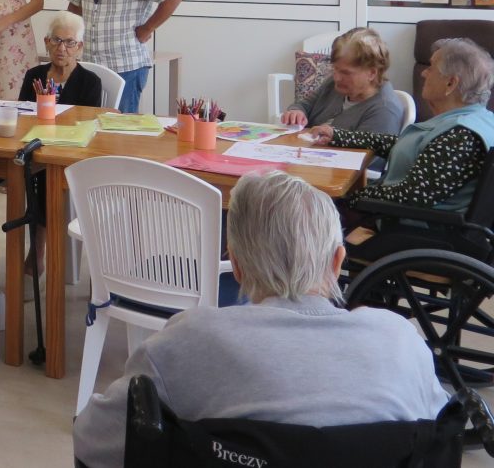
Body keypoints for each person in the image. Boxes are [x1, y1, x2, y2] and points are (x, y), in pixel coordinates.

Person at [73, 170, 449, 468]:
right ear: (337, 262)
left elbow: (92, 441)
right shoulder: (401, 342)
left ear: (235, 265)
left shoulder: (189, 341)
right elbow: (442, 433)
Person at [311, 38, 494, 257]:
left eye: (432, 68)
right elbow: (405, 146)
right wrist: (338, 135)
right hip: (430, 225)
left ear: (451, 84)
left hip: (425, 234)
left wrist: (352, 196)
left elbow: (411, 196)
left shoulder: (460, 136)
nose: (424, 73)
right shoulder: (475, 119)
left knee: (313, 217)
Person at [17, 12, 102, 276]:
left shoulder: (90, 82)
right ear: (46, 43)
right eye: (56, 41)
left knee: (44, 176)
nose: (61, 48)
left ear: (80, 47)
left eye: (69, 42)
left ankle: (39, 254)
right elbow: (21, 115)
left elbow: (87, 127)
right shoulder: (35, 75)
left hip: (70, 154)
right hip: (36, 147)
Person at [280, 28, 404, 140]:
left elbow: (369, 160)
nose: (337, 77)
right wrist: (297, 112)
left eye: (346, 72)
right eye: (335, 69)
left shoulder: (384, 110)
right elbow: (305, 104)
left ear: (371, 73)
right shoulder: (335, 85)